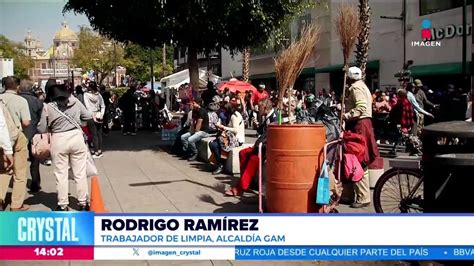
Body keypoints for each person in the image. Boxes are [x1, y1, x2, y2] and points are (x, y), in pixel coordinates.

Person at [37, 84, 92, 211]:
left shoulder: (48, 107)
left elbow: (41, 128)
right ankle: (83, 203)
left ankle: (63, 205)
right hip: (76, 137)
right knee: (80, 173)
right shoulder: (76, 102)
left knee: (61, 174)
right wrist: (79, 120)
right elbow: (88, 116)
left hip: (59, 139)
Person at [342, 67, 381, 209]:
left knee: (358, 160)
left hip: (359, 125)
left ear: (350, 77)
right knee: (359, 159)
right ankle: (356, 194)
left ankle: (362, 197)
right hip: (363, 124)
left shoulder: (355, 88)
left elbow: (361, 107)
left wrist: (346, 115)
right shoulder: (363, 86)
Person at [225, 98, 276, 196]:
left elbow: (270, 137)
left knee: (253, 160)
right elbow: (262, 133)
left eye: (260, 107)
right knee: (242, 153)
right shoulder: (266, 116)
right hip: (260, 146)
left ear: (265, 108)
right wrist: (257, 126)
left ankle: (240, 187)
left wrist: (257, 145)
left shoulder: (274, 118)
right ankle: (245, 181)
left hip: (266, 149)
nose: (258, 110)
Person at [0, 76, 31, 211]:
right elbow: (26, 122)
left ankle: (0, 199)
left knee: (4, 170)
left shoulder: (1, 100)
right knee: (20, 173)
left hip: (2, 140)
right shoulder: (21, 100)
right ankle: (16, 204)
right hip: (16, 136)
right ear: (17, 86)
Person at [19, 80, 44, 192]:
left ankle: (18, 183)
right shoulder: (36, 101)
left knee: (19, 160)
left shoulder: (17, 99)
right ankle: (35, 183)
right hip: (34, 132)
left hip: (19, 133)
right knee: (34, 160)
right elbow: (41, 117)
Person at [209, 102, 245, 175]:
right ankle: (219, 164)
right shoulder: (230, 115)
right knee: (212, 143)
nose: (222, 111)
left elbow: (236, 130)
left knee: (217, 144)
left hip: (237, 139)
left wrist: (224, 127)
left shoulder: (234, 116)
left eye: (223, 110)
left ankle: (221, 165)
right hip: (230, 137)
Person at [84, 82, 105, 158]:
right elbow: (103, 105)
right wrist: (101, 114)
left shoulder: (86, 95)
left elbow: (87, 106)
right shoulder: (98, 95)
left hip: (91, 116)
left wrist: (93, 116)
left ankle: (96, 152)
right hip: (99, 114)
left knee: (94, 134)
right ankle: (100, 151)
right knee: (99, 133)